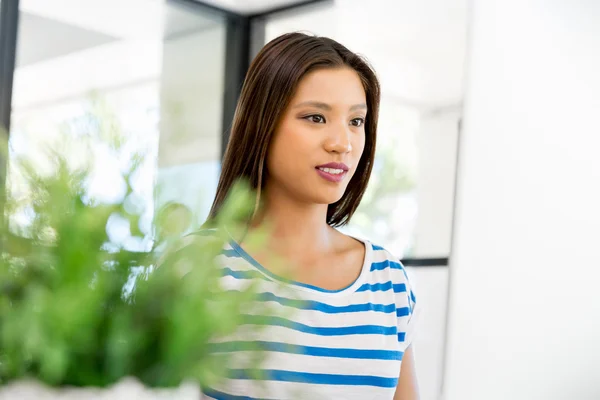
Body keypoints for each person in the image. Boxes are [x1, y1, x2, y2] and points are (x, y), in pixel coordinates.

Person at [203, 32, 419, 400]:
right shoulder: (199, 267)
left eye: (356, 121)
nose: (342, 143)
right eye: (316, 117)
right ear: (262, 125)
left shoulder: (389, 282)